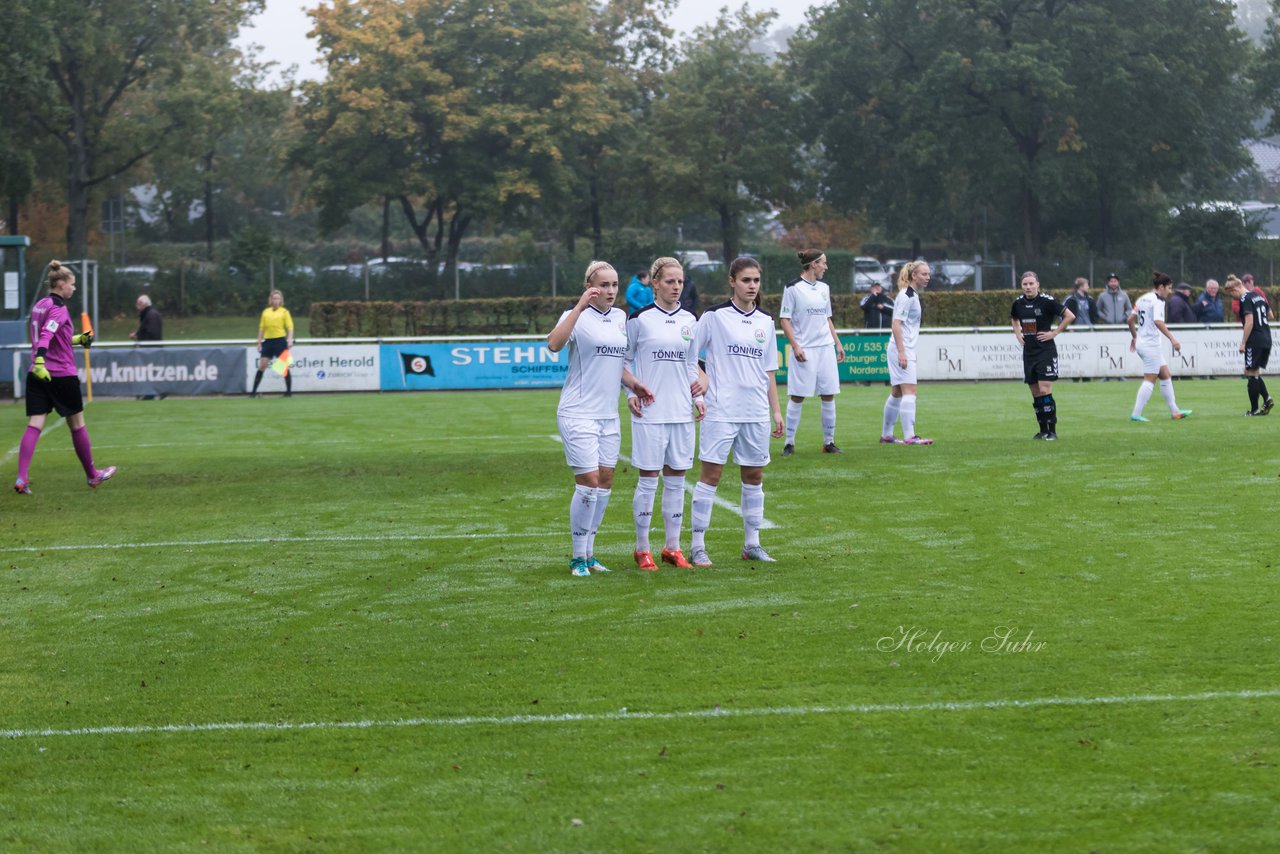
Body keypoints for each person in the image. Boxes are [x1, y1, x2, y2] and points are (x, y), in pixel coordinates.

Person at [548, 261, 654, 577]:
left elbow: (614, 364)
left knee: (605, 481)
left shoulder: (620, 318)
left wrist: (634, 383)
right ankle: (577, 558)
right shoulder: (575, 316)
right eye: (603, 285)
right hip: (577, 412)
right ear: (589, 286)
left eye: (614, 285)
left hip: (608, 416)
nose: (610, 291)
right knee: (589, 483)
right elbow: (553, 345)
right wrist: (579, 307)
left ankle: (590, 553)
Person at [688, 256, 785, 566]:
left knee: (754, 475)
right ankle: (697, 545)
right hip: (721, 409)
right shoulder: (714, 317)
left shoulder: (766, 321)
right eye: (746, 280)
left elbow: (768, 370)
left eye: (756, 280)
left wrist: (776, 412)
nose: (752, 286)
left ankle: (752, 544)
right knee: (710, 475)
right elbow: (690, 356)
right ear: (732, 281)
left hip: (755, 411)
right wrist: (700, 383)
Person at [625, 257, 704, 571]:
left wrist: (698, 397)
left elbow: (690, 364)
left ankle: (673, 548)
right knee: (648, 481)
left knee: (676, 480)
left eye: (680, 282)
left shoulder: (690, 320)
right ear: (655, 283)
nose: (676, 287)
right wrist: (632, 393)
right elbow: (625, 360)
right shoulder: (640, 319)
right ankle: (642, 548)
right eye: (670, 281)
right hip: (650, 412)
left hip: (682, 412)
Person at [12, 260, 116, 495]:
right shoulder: (59, 309)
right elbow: (48, 335)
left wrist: (79, 339)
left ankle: (21, 478)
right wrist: (41, 360)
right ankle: (93, 475)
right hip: (59, 374)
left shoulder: (41, 304)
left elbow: (54, 336)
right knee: (77, 425)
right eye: (72, 284)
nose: (74, 288)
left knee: (34, 424)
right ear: (60, 284)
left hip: (36, 375)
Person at [779, 249, 845, 456]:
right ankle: (789, 443)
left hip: (825, 348)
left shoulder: (824, 288)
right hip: (805, 350)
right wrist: (796, 346)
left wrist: (838, 343)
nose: (826, 267)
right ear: (814, 264)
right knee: (798, 396)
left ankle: (829, 442)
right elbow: (784, 319)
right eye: (823, 263)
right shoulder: (792, 288)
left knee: (828, 395)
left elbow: (827, 318)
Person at [1010, 271, 1075, 440]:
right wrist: (1018, 334)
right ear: (1021, 286)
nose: (1028, 287)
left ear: (1038, 284)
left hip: (1045, 351)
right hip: (1029, 352)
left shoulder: (1047, 301)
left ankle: (1052, 431)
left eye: (1031, 284)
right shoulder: (1018, 303)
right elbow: (1014, 319)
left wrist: (1054, 333)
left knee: (1045, 389)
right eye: (1025, 284)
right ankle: (1042, 430)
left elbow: (1069, 316)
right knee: (1035, 393)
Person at [880, 260, 933, 445]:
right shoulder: (907, 296)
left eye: (928, 274)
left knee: (897, 392)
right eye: (924, 274)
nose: (928, 277)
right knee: (910, 391)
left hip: (902, 348)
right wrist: (902, 351)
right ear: (913, 276)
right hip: (901, 349)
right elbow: (896, 324)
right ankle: (910, 436)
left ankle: (887, 435)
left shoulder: (913, 295)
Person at [1128, 272, 1192, 422]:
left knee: (1165, 374)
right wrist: (1172, 339)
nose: (1170, 291)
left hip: (1143, 343)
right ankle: (1136, 414)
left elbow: (1130, 319)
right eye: (1169, 288)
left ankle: (1175, 411)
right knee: (1150, 379)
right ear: (1161, 287)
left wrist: (1135, 336)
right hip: (1150, 345)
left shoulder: (1142, 298)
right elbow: (1158, 321)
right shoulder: (1158, 301)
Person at [1222, 274, 1273, 415]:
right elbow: (1270, 316)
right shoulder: (1259, 296)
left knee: (1250, 372)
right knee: (1253, 372)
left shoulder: (1245, 298)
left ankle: (1254, 409)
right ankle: (1267, 400)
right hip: (1266, 337)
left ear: (1236, 287)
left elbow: (1249, 321)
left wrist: (1243, 342)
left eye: (1232, 293)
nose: (1233, 297)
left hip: (1254, 339)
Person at [251, 289, 294, 397]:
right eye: (274, 298)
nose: (276, 300)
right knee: (262, 365)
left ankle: (288, 392)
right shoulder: (266, 312)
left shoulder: (284, 312)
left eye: (278, 298)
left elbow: (290, 327)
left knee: (283, 367)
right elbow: (262, 327)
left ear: (281, 300)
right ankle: (253, 392)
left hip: (280, 341)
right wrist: (259, 342)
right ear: (271, 300)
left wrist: (289, 339)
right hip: (268, 341)